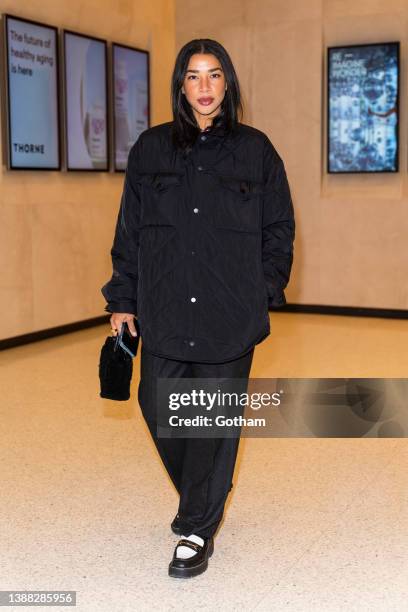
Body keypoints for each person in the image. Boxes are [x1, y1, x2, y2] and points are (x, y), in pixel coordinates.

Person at [101, 38, 295, 578]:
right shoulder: (150, 149)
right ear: (180, 85)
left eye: (213, 75)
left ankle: (195, 529)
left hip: (229, 311)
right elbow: (129, 231)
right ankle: (206, 488)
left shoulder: (257, 151)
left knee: (210, 419)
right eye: (193, 76)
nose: (204, 87)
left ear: (227, 83)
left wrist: (262, 289)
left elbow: (279, 228)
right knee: (157, 404)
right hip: (164, 308)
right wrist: (123, 298)